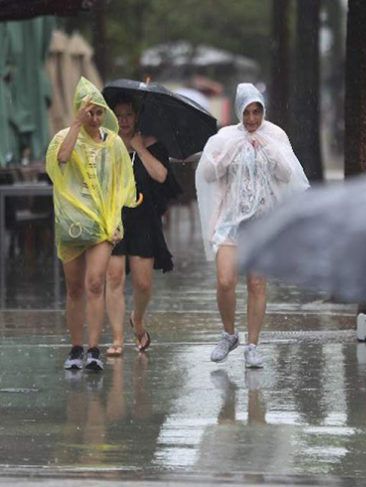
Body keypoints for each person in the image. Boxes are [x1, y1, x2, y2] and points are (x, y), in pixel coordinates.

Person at [196, 83, 309, 368]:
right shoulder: (226, 137)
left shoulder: (275, 135)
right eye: (247, 112)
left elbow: (288, 175)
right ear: (239, 111)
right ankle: (228, 334)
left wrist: (269, 151)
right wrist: (228, 154)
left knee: (257, 283)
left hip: (261, 221)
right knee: (225, 281)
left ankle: (253, 345)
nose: (251, 119)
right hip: (229, 220)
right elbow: (208, 172)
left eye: (257, 112)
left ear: (263, 111)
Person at [45, 77, 137, 371]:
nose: (95, 119)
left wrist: (117, 221)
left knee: (95, 283)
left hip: (102, 225)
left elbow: (121, 184)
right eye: (89, 112)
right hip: (72, 224)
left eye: (99, 113)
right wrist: (75, 124)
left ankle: (95, 348)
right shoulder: (63, 137)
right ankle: (75, 348)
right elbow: (61, 159)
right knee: (74, 289)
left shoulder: (113, 145)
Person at [104, 94, 182, 356]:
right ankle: (116, 339)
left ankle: (137, 319)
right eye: (118, 115)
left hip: (144, 220)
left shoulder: (150, 144)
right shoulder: (106, 145)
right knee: (113, 277)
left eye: (128, 114)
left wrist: (139, 148)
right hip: (114, 219)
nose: (123, 120)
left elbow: (161, 176)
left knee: (143, 283)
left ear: (136, 116)